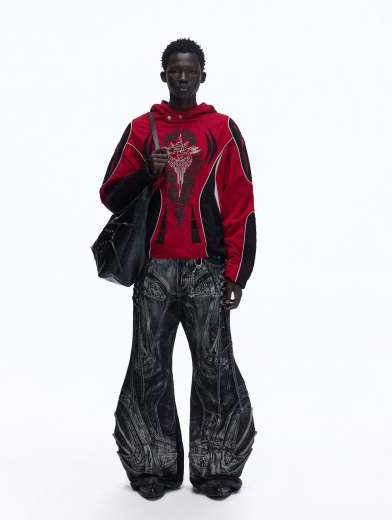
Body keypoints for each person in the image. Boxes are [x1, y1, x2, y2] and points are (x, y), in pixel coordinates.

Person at [99, 38, 258, 500]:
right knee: (148, 366)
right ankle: (153, 465)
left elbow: (241, 204)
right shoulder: (140, 128)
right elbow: (111, 195)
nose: (183, 77)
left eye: (190, 70)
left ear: (202, 76)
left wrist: (237, 272)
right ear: (164, 75)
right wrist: (146, 172)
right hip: (153, 270)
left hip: (207, 271)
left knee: (215, 366)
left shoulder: (222, 129)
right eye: (175, 70)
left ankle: (217, 469)